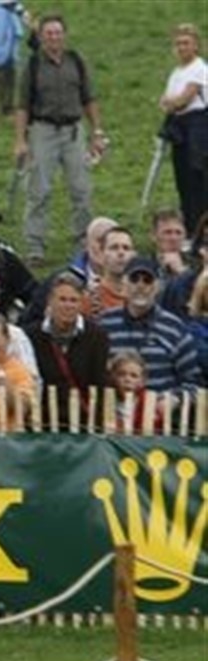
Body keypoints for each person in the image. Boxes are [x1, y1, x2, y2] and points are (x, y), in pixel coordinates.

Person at [13, 13, 106, 268]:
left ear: (64, 35)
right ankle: (35, 246)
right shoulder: (33, 66)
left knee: (81, 190)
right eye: (48, 33)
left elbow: (89, 98)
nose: (53, 37)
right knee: (39, 190)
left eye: (57, 33)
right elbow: (22, 106)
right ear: (41, 37)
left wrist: (97, 132)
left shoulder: (76, 61)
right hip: (43, 131)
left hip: (73, 131)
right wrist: (20, 140)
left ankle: (83, 245)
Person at [98, 257, 203, 396]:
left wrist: (171, 400)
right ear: (124, 283)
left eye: (147, 280)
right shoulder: (104, 324)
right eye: (134, 279)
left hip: (159, 407)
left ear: (157, 286)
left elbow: (194, 383)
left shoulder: (175, 328)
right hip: (113, 407)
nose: (140, 285)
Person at [23, 273, 110, 430]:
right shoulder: (30, 335)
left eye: (73, 300)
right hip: (42, 424)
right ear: (50, 301)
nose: (68, 305)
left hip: (83, 424)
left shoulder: (97, 336)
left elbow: (99, 383)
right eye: (62, 299)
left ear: (81, 304)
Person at [158, 24, 207, 235]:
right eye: (178, 43)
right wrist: (171, 103)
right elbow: (165, 101)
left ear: (196, 45)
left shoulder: (200, 68)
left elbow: (183, 100)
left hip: (198, 128)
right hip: (180, 128)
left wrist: (172, 103)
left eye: (186, 43)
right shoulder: (177, 72)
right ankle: (189, 227)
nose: (181, 47)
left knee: (198, 179)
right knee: (183, 179)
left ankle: (201, 229)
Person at [81, 225, 135, 320]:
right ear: (101, 254)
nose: (121, 253)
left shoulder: (142, 296)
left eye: (126, 248)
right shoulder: (89, 301)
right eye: (114, 248)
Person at [107, 349, 164, 432]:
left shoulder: (150, 405)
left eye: (134, 376)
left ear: (142, 381)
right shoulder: (104, 400)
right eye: (121, 374)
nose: (127, 379)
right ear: (112, 376)